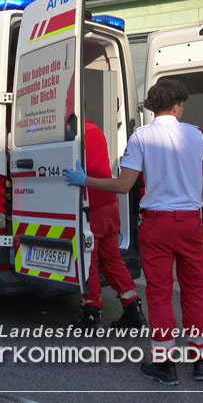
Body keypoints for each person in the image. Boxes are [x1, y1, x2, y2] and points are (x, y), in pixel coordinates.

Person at [64, 79, 203, 385]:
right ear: (176, 105)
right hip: (190, 223)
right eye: (182, 105)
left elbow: (123, 186)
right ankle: (202, 362)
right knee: (195, 292)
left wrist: (85, 181)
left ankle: (165, 365)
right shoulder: (197, 136)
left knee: (160, 294)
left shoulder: (141, 137)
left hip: (157, 226)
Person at [71, 119, 147, 330]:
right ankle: (133, 308)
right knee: (113, 260)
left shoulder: (74, 136)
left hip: (91, 205)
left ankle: (91, 312)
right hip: (109, 206)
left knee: (89, 261)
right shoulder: (96, 129)